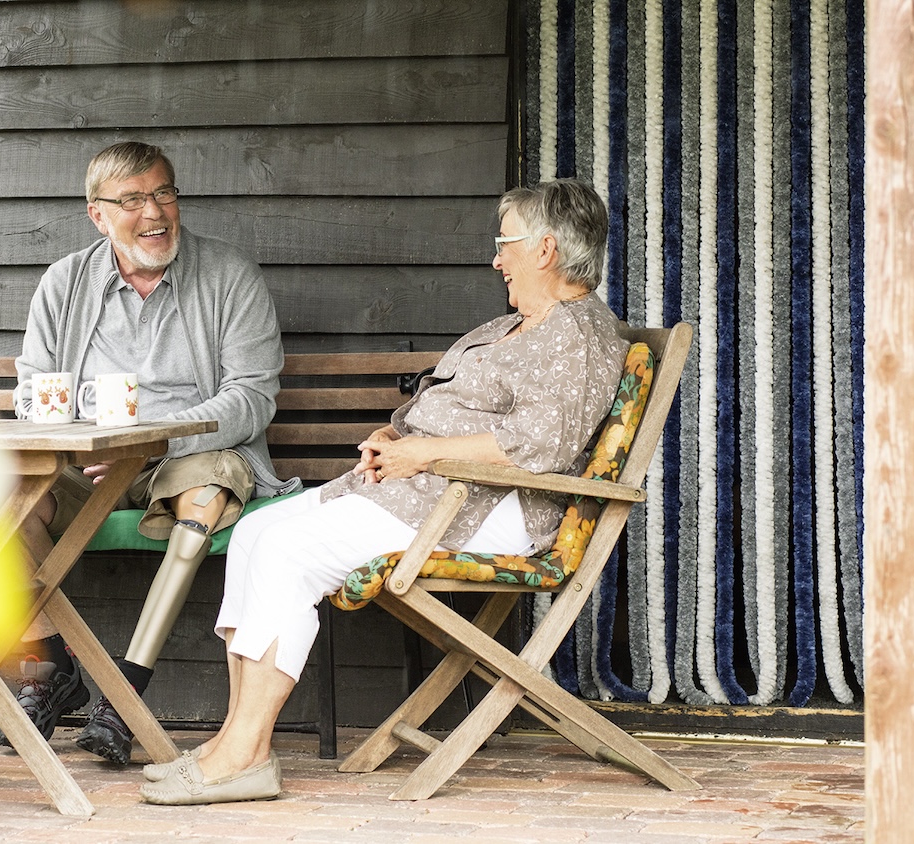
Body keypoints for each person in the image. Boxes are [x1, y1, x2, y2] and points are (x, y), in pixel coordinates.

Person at [138, 179, 632, 805]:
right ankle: (238, 741)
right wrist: (396, 434)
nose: (496, 257)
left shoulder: (576, 336)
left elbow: (545, 447)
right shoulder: (516, 325)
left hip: (484, 507)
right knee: (258, 531)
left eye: (505, 242)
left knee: (288, 551)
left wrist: (422, 451)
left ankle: (243, 755)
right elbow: (453, 407)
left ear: (545, 250)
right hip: (430, 490)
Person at [2, 141, 300, 765]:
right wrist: (82, 437)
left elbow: (250, 399)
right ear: (98, 214)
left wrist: (152, 437)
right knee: (8, 495)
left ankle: (126, 689)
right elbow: (34, 385)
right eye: (132, 199)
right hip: (93, 463)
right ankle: (48, 663)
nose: (154, 212)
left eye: (164, 193)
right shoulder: (64, 283)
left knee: (205, 492)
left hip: (191, 455)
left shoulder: (229, 276)